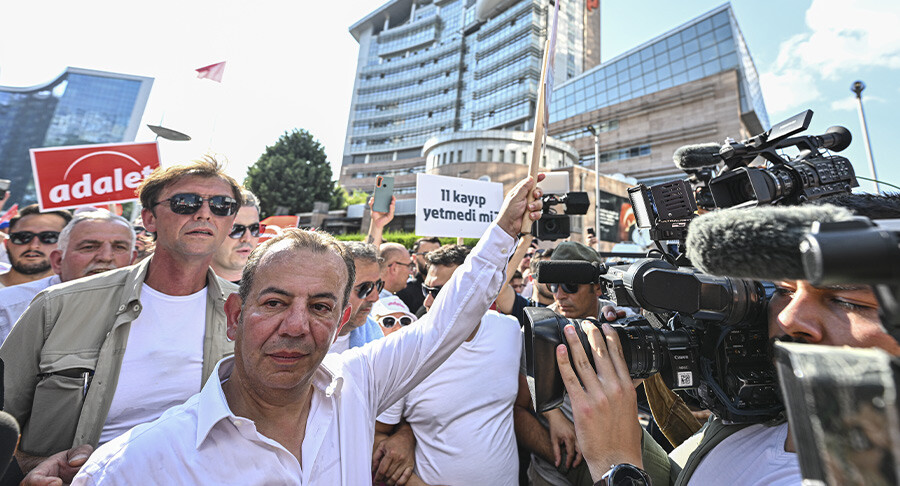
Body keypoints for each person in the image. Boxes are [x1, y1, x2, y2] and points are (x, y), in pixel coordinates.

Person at [69, 175, 545, 485]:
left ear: (341, 320)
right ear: (234, 316)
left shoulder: (358, 385)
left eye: (319, 307)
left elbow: (448, 323)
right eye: (274, 303)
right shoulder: (133, 468)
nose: (296, 327)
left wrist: (504, 228)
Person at [558, 193, 900, 486]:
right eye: (784, 291)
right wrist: (614, 420)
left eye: (847, 301)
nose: (789, 318)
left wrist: (616, 468)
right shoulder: (760, 413)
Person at [2, 157, 243, 483]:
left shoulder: (250, 311)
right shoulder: (57, 306)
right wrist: (29, 465)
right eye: (185, 203)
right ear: (149, 218)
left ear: (230, 221)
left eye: (221, 205)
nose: (204, 213)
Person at [376, 244, 523, 485]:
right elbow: (376, 436)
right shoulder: (405, 349)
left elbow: (522, 404)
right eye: (427, 289)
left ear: (479, 291)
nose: (429, 302)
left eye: (442, 291)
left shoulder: (509, 332)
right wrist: (405, 435)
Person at [519, 241, 630, 486]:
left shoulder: (619, 323)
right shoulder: (538, 329)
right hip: (554, 475)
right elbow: (520, 407)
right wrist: (555, 418)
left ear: (597, 288)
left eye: (570, 285)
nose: (559, 295)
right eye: (554, 285)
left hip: (617, 465)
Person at [0, 210, 136, 344]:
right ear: (58, 261)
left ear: (132, 261)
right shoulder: (7, 309)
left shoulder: (147, 306)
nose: (105, 257)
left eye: (119, 247)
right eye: (89, 247)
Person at [328, 241, 385, 354]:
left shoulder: (374, 335)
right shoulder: (296, 336)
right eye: (365, 288)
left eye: (378, 285)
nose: (375, 297)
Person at [0, 204, 72, 288]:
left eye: (49, 237)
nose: (34, 245)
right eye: (23, 237)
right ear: (6, 244)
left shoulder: (81, 294)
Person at [211, 189, 262, 284]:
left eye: (254, 229)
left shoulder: (270, 286)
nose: (247, 238)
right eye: (236, 230)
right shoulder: (185, 290)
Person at [396, 236, 441, 314]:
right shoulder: (405, 291)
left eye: (437, 255)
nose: (432, 259)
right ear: (414, 257)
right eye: (426, 255)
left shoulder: (448, 288)